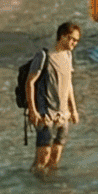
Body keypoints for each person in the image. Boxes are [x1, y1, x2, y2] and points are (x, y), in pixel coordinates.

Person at [21, 22, 83, 173]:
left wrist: (73, 110)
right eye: (72, 39)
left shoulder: (68, 56)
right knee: (42, 159)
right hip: (45, 114)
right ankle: (33, 188)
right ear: (62, 36)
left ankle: (50, 191)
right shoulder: (43, 56)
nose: (74, 43)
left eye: (76, 41)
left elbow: (68, 84)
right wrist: (33, 111)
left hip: (63, 114)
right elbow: (30, 83)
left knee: (55, 158)